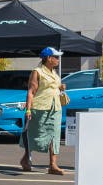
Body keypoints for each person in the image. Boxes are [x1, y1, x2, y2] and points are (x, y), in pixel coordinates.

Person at [20, 47, 67, 175]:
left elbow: (54, 87)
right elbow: (31, 91)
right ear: (48, 58)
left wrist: (61, 87)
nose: (58, 59)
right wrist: (28, 109)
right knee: (33, 135)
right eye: (55, 57)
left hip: (55, 108)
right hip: (40, 108)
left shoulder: (54, 72)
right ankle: (25, 159)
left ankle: (53, 165)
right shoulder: (37, 72)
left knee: (55, 135)